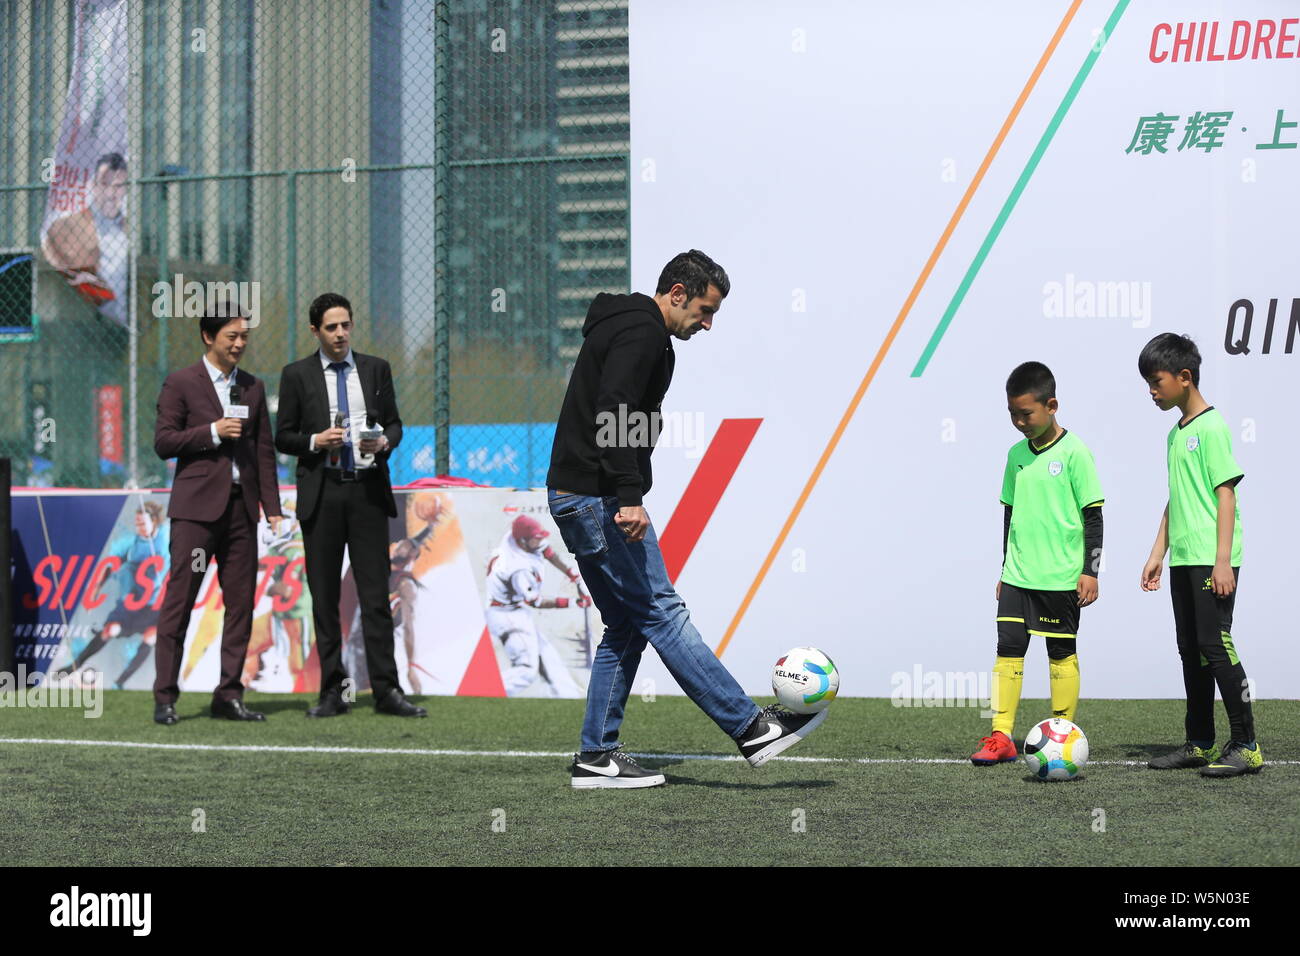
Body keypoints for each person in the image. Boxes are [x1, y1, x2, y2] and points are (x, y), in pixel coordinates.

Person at [547, 249, 825, 789]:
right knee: (661, 611)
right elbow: (616, 407)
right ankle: (751, 728)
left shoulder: (630, 326)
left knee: (627, 626)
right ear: (676, 293)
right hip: (598, 498)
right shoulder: (643, 332)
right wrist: (628, 494)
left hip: (578, 494)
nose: (708, 323)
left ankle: (596, 757)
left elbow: (620, 409)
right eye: (704, 309)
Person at [274, 292, 425, 718]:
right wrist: (313, 442)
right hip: (322, 493)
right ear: (315, 331)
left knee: (376, 596)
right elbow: (282, 435)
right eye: (331, 327)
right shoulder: (296, 375)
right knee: (324, 599)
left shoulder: (376, 368)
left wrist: (385, 442)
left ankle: (386, 691)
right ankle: (333, 692)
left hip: (367, 492)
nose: (340, 334)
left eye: (345, 325)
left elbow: (394, 423)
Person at [1138, 333, 1262, 777]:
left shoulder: (1211, 427)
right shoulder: (1174, 435)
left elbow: (1224, 494)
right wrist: (1158, 551)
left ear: (1184, 377)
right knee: (1190, 649)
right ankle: (1199, 742)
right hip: (1183, 558)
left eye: (1156, 382)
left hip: (1213, 559)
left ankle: (1246, 744)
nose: (1151, 391)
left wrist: (1223, 559)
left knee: (1216, 645)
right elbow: (1177, 498)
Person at [152, 307, 283, 725]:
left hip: (242, 513)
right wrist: (212, 432)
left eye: (243, 336)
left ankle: (228, 695)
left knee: (242, 604)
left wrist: (274, 510)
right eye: (231, 336)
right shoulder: (181, 383)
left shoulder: (253, 387)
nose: (239, 344)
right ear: (207, 336)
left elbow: (264, 452)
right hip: (196, 514)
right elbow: (164, 441)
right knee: (181, 601)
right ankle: (165, 698)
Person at [971, 362, 1103, 765]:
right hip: (1017, 576)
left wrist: (1090, 571)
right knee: (1007, 650)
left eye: (1026, 414)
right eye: (1012, 414)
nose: (1019, 421)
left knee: (1061, 653)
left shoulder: (1076, 452)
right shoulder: (1015, 456)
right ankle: (1000, 736)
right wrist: (1004, 568)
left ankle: (1062, 731)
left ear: (1052, 405)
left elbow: (1093, 516)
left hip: (1062, 577)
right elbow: (1009, 515)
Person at [55, 501, 170, 689]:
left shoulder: (166, 534)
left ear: (155, 521)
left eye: (143, 523)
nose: (139, 527)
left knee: (151, 637)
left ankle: (120, 682)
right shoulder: (131, 543)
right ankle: (74, 665)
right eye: (137, 524)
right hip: (134, 602)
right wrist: (96, 588)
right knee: (111, 630)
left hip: (158, 603)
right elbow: (110, 564)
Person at [486, 514, 586, 698]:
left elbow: (547, 551)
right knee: (526, 671)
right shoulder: (517, 567)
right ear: (523, 540)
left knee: (548, 657)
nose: (539, 540)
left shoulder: (516, 538)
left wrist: (572, 573)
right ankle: (485, 692)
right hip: (507, 615)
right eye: (535, 538)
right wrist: (573, 602)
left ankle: (566, 697)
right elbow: (535, 602)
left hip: (513, 609)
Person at [41, 151, 130, 326]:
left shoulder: (126, 228)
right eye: (105, 184)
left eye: (118, 186)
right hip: (87, 320)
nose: (111, 193)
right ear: (93, 186)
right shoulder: (68, 226)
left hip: (122, 320)